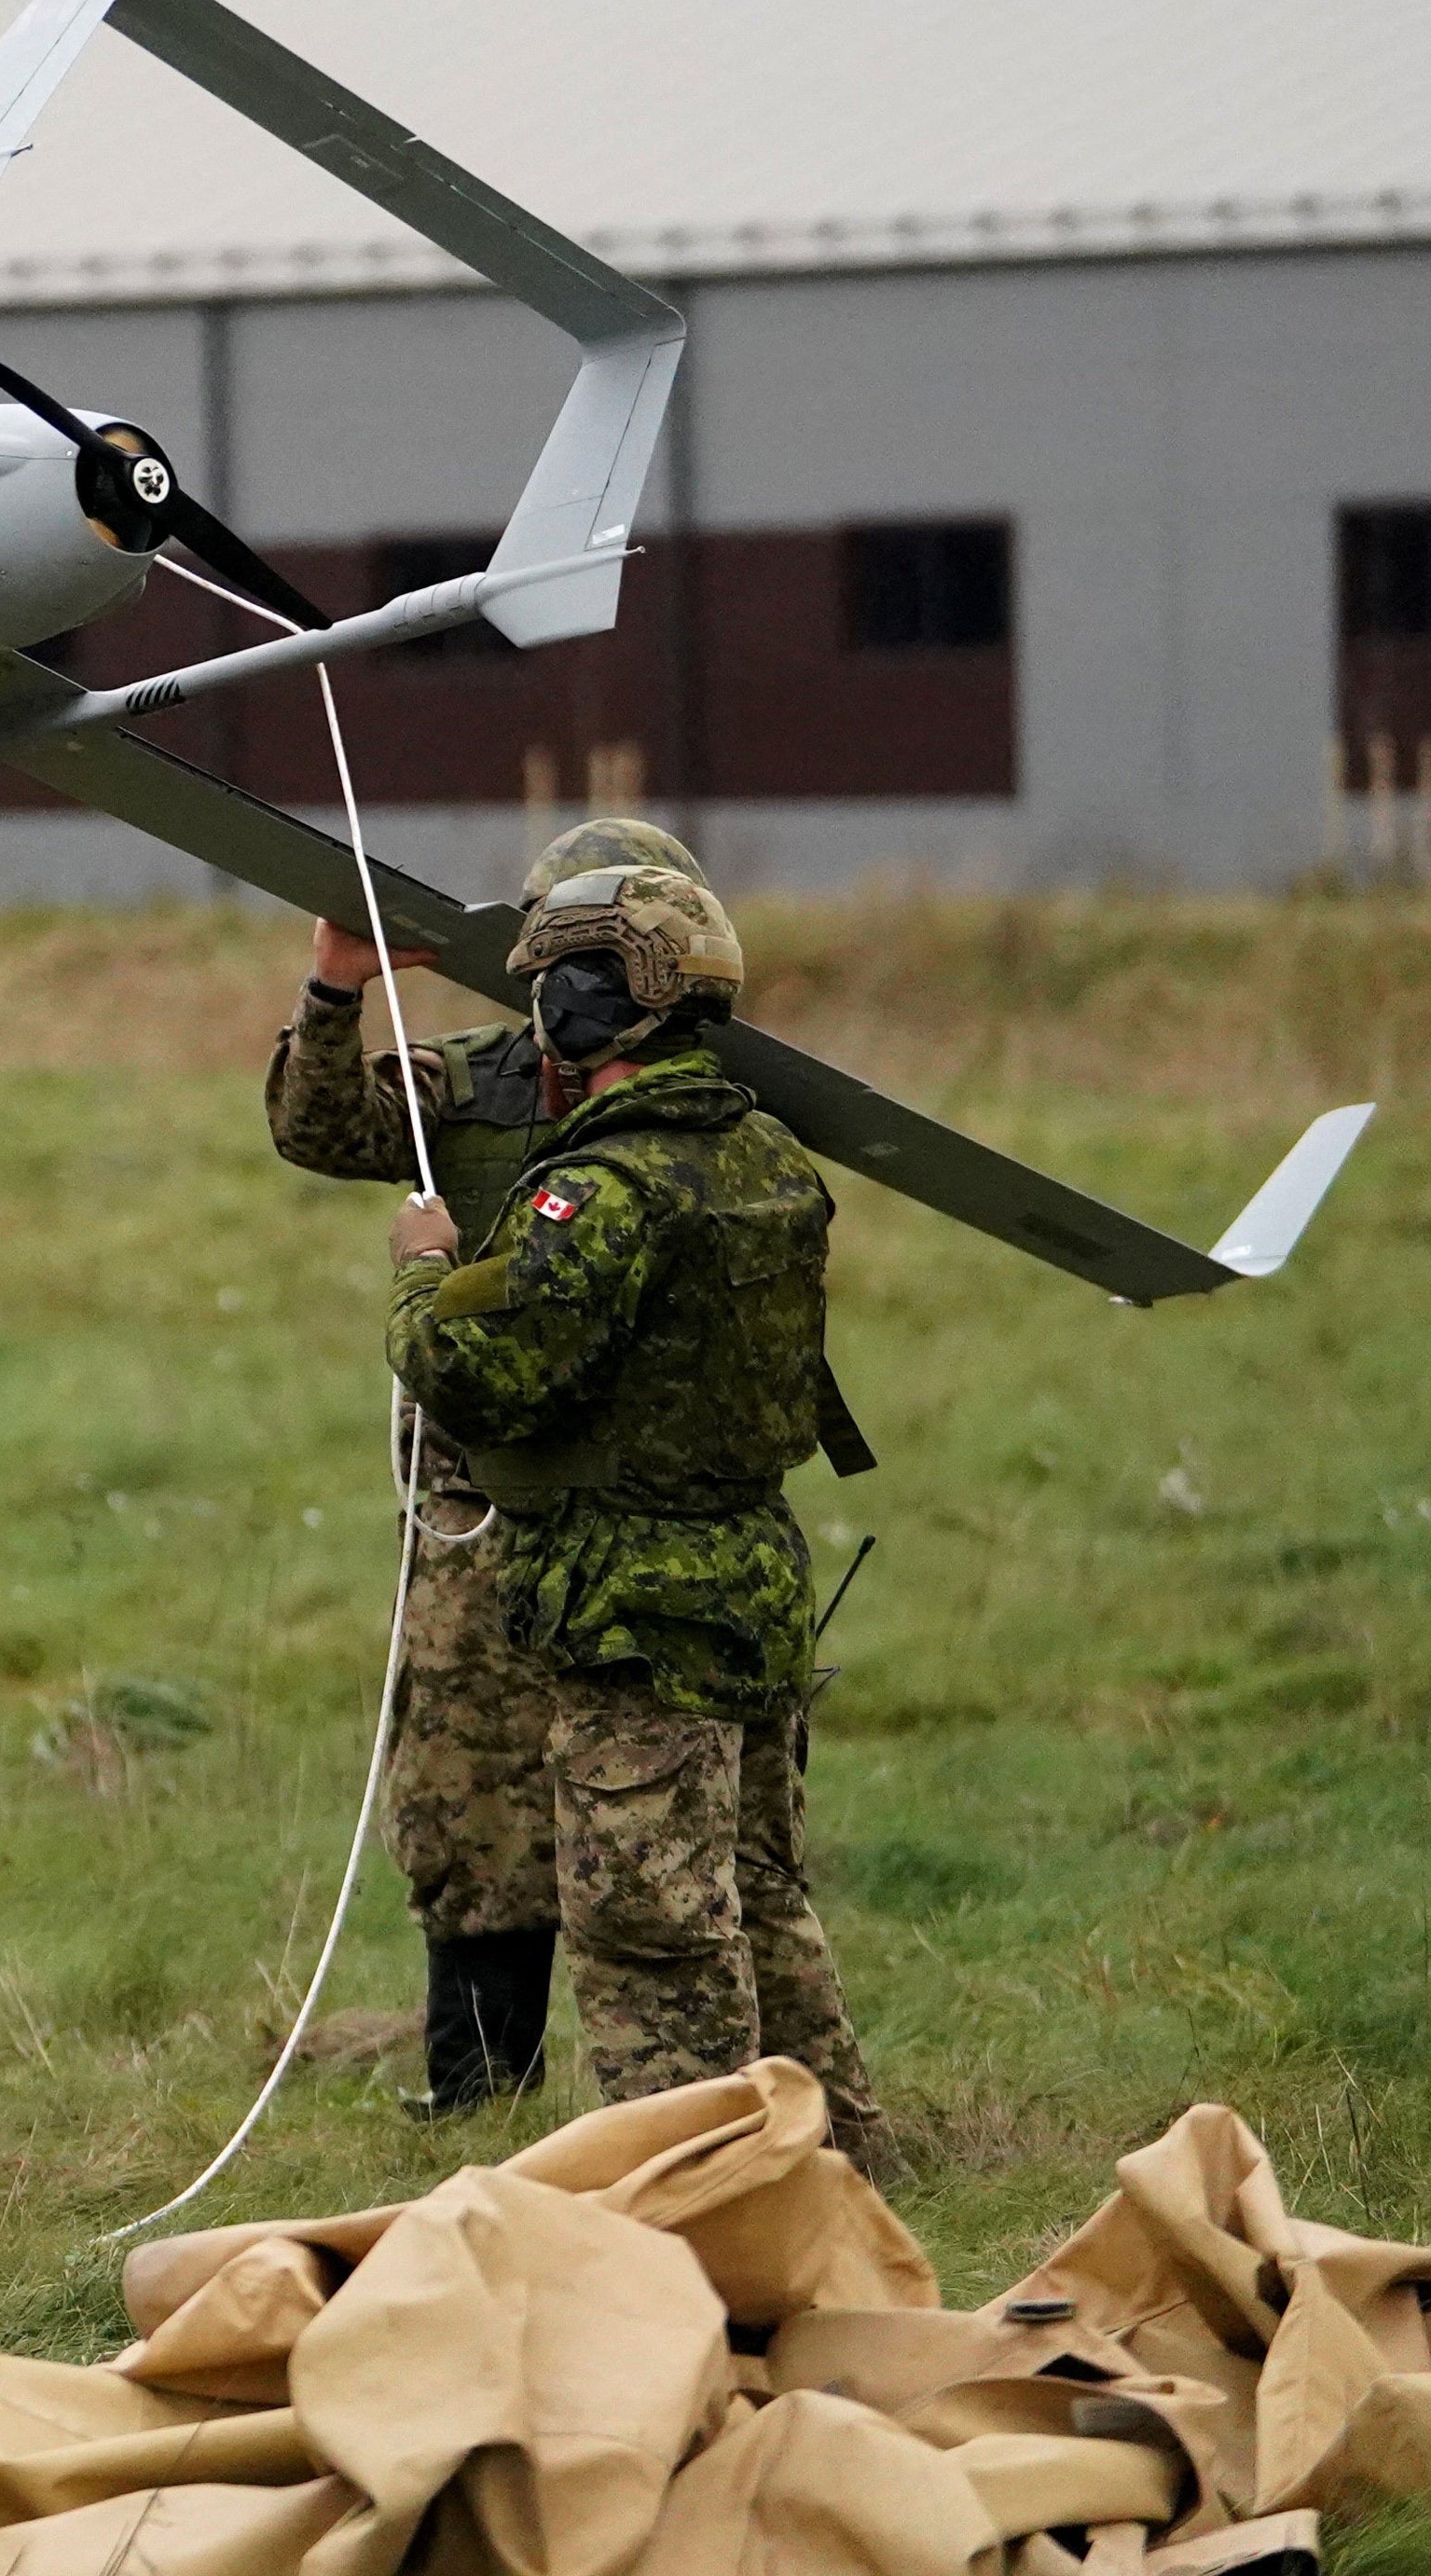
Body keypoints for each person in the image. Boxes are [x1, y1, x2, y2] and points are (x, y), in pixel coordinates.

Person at [378, 860, 886, 2165]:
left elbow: (480, 1371)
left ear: (585, 1011)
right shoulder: (766, 1154)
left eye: (552, 989)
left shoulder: (602, 1186)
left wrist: (425, 1280)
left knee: (650, 1930)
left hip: (631, 1603)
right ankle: (846, 2165)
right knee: (760, 1899)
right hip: (751, 1580)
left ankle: (698, 2194)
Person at [266, 815, 709, 2115]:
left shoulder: (704, 1107)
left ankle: (703, 2106)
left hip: (650, 1513)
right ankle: (480, 2105)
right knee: (470, 1811)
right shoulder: (475, 1087)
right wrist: (338, 987)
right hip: (480, 1515)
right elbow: (319, 1126)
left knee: (683, 1821)